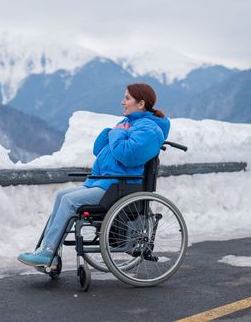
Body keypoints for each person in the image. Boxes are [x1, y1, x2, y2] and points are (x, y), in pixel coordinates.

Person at [17, 83, 170, 267]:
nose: (122, 102)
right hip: (105, 183)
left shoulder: (149, 130)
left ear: (141, 103)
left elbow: (128, 155)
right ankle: (51, 252)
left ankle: (48, 252)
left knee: (69, 202)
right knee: (61, 196)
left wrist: (118, 134)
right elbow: (98, 150)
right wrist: (110, 132)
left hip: (119, 187)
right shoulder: (129, 124)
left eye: (127, 98)